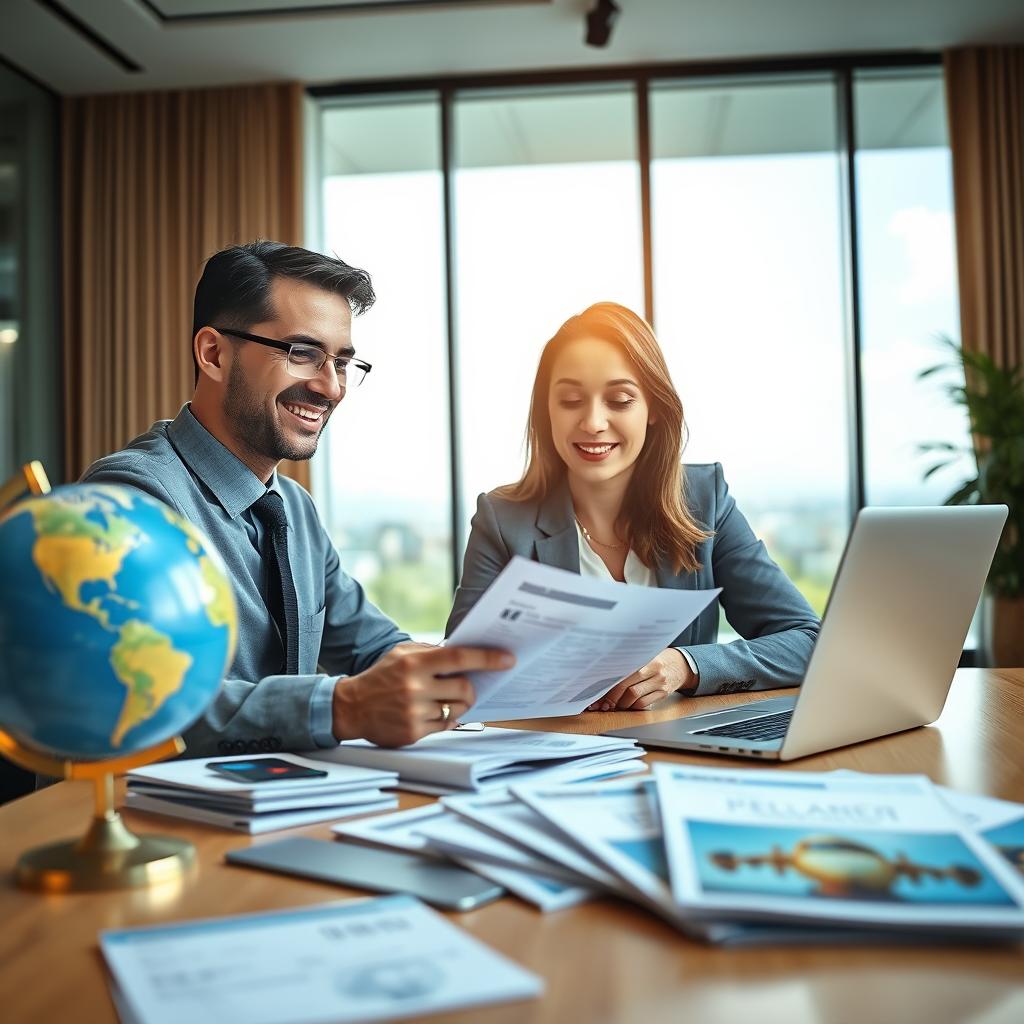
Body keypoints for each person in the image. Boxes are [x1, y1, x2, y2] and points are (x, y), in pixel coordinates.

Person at [82, 240, 512, 756]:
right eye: (302, 353)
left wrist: (550, 666)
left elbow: (378, 650)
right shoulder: (129, 501)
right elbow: (134, 698)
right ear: (214, 354)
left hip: (275, 808)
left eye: (343, 363)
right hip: (148, 822)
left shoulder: (292, 509)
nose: (331, 388)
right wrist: (344, 707)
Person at [446, 302, 819, 710]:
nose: (592, 422)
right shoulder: (502, 519)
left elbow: (807, 640)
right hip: (556, 752)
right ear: (546, 411)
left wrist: (685, 665)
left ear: (654, 408)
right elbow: (456, 673)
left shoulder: (705, 500)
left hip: (680, 749)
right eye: (570, 400)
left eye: (620, 401)